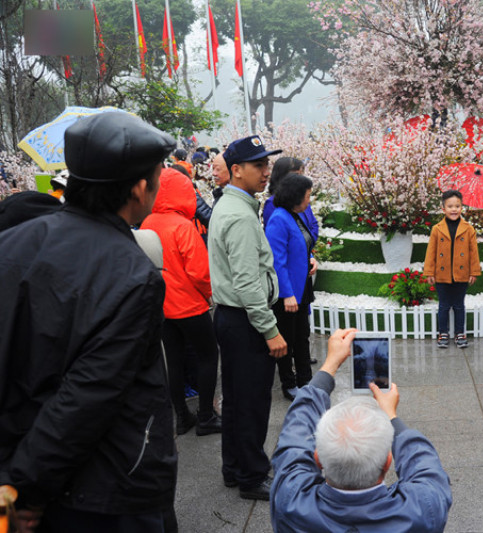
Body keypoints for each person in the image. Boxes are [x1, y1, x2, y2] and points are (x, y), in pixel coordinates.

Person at [0, 112, 177, 531]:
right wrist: (23, 492)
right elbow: (86, 398)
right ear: (138, 188)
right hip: (100, 491)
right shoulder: (133, 274)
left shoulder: (12, 242)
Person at [269, 329, 452, 533]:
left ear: (317, 459)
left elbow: (296, 432)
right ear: (388, 462)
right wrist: (391, 416)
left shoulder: (290, 502)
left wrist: (330, 365)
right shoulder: (423, 511)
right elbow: (425, 465)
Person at [208, 135, 287, 500]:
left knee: (238, 399)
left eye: (267, 164)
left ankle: (235, 467)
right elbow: (247, 282)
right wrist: (270, 330)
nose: (266, 172)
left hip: (233, 317)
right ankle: (252, 476)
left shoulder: (234, 204)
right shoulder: (239, 214)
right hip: (245, 320)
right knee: (252, 401)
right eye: (259, 166)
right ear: (236, 170)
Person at [140, 168, 221, 436]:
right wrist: (210, 294)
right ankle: (207, 416)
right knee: (208, 356)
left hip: (162, 306)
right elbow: (199, 272)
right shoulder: (183, 226)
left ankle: (182, 417)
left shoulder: (147, 223)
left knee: (172, 361)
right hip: (189, 305)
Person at [265, 173, 318, 400]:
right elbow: (277, 261)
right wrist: (287, 294)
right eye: (307, 196)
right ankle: (289, 383)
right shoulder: (279, 218)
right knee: (287, 338)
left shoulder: (296, 216)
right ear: (296, 196)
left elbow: (303, 243)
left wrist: (311, 257)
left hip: (301, 286)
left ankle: (306, 380)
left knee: (302, 336)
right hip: (288, 292)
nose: (309, 200)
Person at [423, 189, 481, 348]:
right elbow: (431, 252)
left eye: (457, 206)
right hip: (442, 274)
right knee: (443, 305)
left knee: (459, 305)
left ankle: (459, 333)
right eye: (450, 206)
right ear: (443, 209)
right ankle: (443, 333)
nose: (454, 209)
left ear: (462, 207)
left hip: (461, 274)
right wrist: (429, 271)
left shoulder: (468, 229)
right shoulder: (437, 229)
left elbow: (473, 252)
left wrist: (474, 271)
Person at [262, 156, 319, 242]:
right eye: (296, 175)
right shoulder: (273, 203)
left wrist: (307, 243)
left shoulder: (303, 199)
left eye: (301, 174)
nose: (300, 179)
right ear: (282, 176)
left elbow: (313, 224)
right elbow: (276, 238)